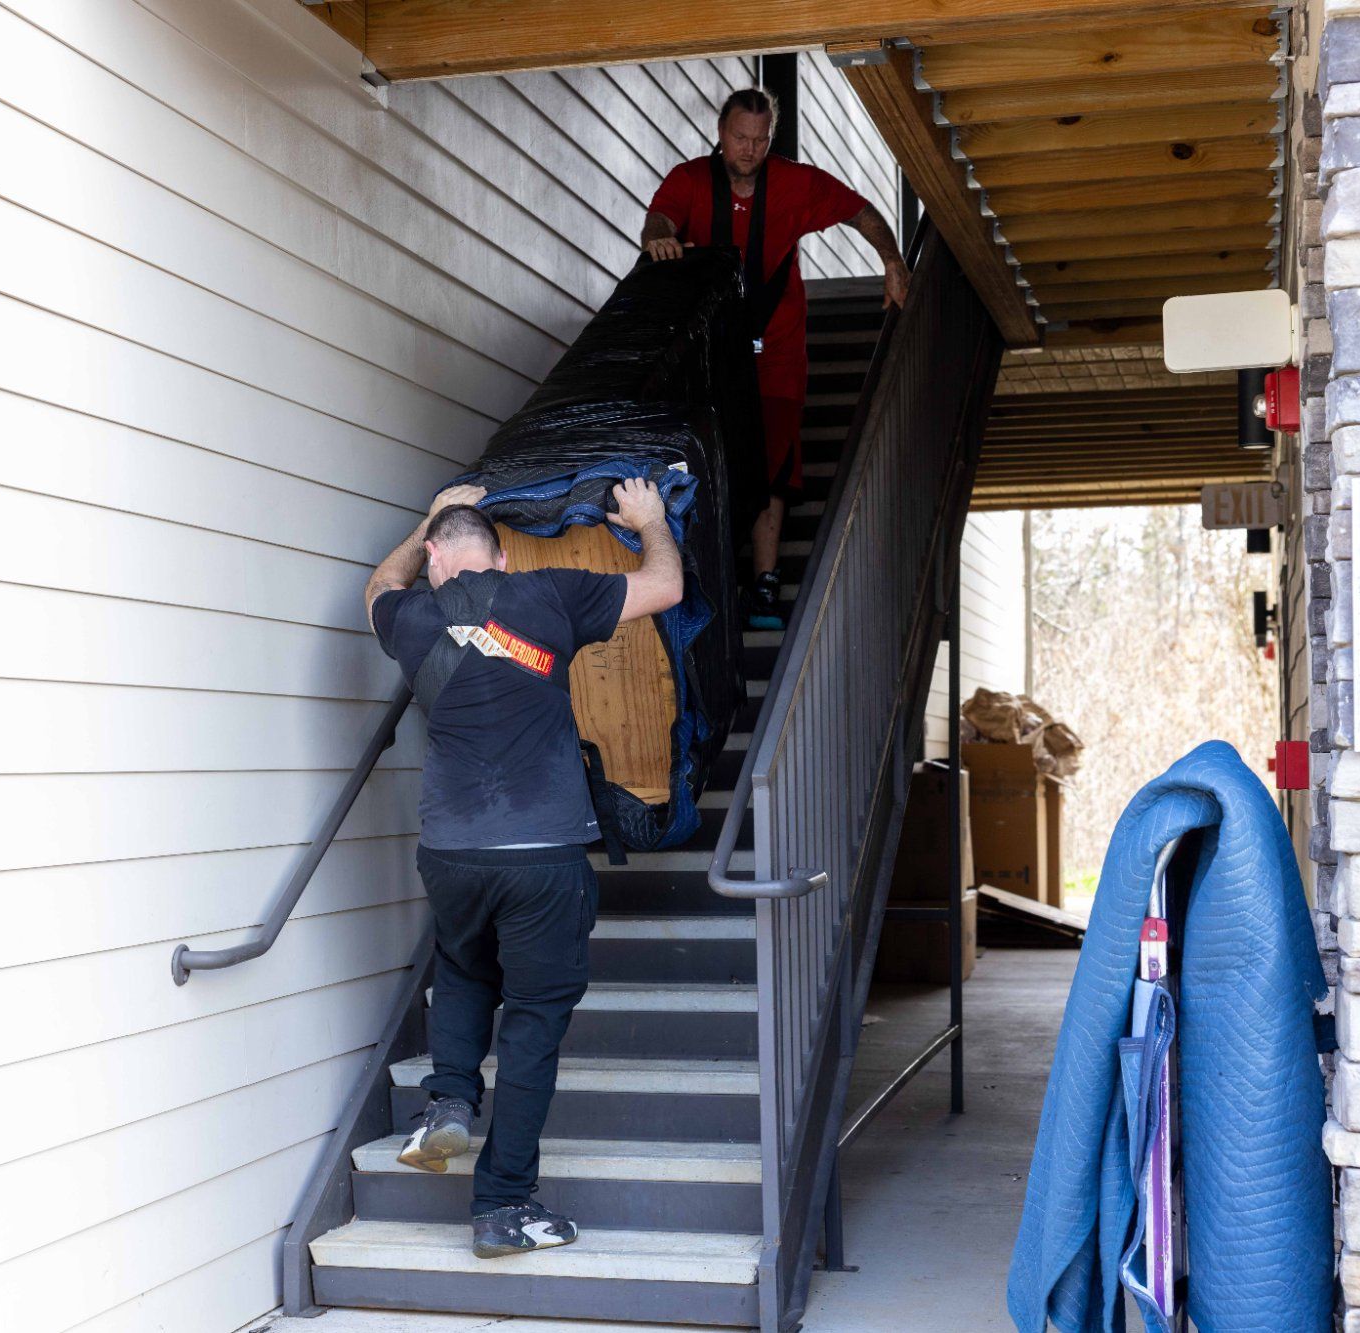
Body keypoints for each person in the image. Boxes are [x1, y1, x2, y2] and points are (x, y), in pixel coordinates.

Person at [365, 478, 683, 1258]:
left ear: (438, 557)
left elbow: (381, 582)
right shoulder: (550, 594)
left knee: (465, 969)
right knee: (534, 1023)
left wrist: (427, 513)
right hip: (540, 853)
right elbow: (667, 586)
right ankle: (502, 1203)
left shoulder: (410, 618)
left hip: (452, 851)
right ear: (501, 557)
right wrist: (650, 522)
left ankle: (448, 1100)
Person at [642, 87, 911, 629]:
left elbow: (859, 212)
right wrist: (660, 242)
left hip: (778, 349)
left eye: (760, 140)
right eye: (740, 137)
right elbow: (659, 222)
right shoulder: (690, 180)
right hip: (711, 352)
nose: (749, 149)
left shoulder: (795, 182)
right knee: (707, 459)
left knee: (773, 464)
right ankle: (704, 583)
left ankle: (764, 586)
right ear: (721, 133)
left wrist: (893, 261)